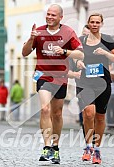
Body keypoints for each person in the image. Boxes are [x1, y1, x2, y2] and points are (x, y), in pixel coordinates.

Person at [22, 4, 83, 164]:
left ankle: (55, 147)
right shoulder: (39, 31)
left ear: (60, 17)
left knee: (57, 113)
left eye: (53, 15)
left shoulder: (68, 32)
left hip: (61, 77)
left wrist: (64, 51)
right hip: (43, 75)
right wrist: (31, 38)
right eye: (48, 14)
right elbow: (24, 52)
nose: (49, 17)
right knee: (45, 108)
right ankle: (47, 146)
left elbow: (80, 53)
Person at [76, 13, 114, 164]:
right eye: (92, 22)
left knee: (100, 116)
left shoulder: (107, 40)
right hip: (84, 82)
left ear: (101, 23)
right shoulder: (81, 40)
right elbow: (75, 57)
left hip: (102, 83)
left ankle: (97, 149)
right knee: (89, 113)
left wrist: (105, 53)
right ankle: (88, 146)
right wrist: (78, 63)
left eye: (97, 22)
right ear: (88, 23)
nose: (94, 24)